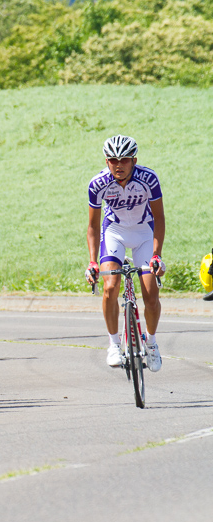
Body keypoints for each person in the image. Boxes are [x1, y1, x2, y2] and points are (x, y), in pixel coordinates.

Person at [86, 135, 165, 371]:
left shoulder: (148, 179)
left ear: (134, 160)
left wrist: (156, 254)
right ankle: (113, 344)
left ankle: (151, 343)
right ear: (107, 161)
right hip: (115, 232)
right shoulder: (97, 184)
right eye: (112, 160)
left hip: (143, 233)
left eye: (124, 160)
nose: (118, 165)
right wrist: (92, 262)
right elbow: (92, 226)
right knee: (110, 286)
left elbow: (159, 218)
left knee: (150, 296)